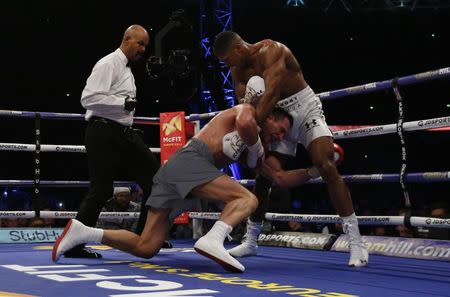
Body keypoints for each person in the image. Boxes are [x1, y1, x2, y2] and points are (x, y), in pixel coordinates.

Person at [52, 104, 293, 272]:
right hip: (191, 162)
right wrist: (258, 148)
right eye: (281, 129)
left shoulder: (251, 142)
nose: (281, 137)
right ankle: (213, 239)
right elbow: (245, 122)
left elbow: (278, 177)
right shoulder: (246, 111)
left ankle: (83, 232)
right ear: (269, 116)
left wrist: (315, 171)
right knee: (248, 200)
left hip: (178, 171)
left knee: (146, 246)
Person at [213, 31, 368, 267]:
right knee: (263, 175)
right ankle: (251, 240)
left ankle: (356, 242)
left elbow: (272, 93)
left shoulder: (272, 50)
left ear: (238, 48)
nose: (228, 66)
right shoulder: (238, 71)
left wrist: (248, 134)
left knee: (326, 164)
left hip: (304, 108)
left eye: (227, 60)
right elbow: (246, 105)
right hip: (272, 118)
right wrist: (256, 135)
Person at [66, 24, 160, 259]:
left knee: (154, 180)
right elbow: (87, 98)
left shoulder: (127, 69)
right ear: (127, 39)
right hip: (102, 131)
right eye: (140, 43)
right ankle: (73, 244)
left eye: (145, 46)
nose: (143, 49)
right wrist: (122, 104)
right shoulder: (109, 63)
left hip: (124, 133)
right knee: (101, 189)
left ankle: (144, 238)